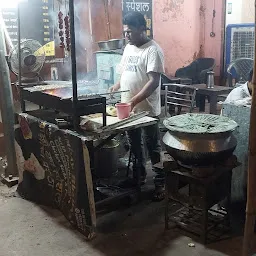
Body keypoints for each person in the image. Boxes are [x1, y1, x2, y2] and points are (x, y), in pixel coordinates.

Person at [109, 11, 165, 200]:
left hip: (147, 110)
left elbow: (153, 82)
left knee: (153, 147)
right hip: (129, 109)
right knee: (134, 145)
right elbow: (124, 71)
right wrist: (116, 85)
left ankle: (160, 184)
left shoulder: (153, 50)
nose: (126, 36)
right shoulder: (129, 48)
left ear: (143, 29)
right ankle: (138, 177)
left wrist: (133, 101)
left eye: (130, 32)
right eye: (125, 32)